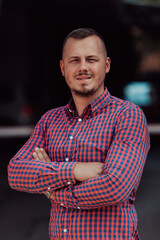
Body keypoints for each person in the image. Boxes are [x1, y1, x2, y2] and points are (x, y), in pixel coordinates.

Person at [8, 28, 150, 240]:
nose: (83, 67)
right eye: (74, 60)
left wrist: (52, 191)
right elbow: (16, 172)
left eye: (91, 59)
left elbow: (115, 186)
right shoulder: (49, 120)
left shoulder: (127, 115)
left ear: (106, 65)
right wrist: (75, 171)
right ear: (63, 68)